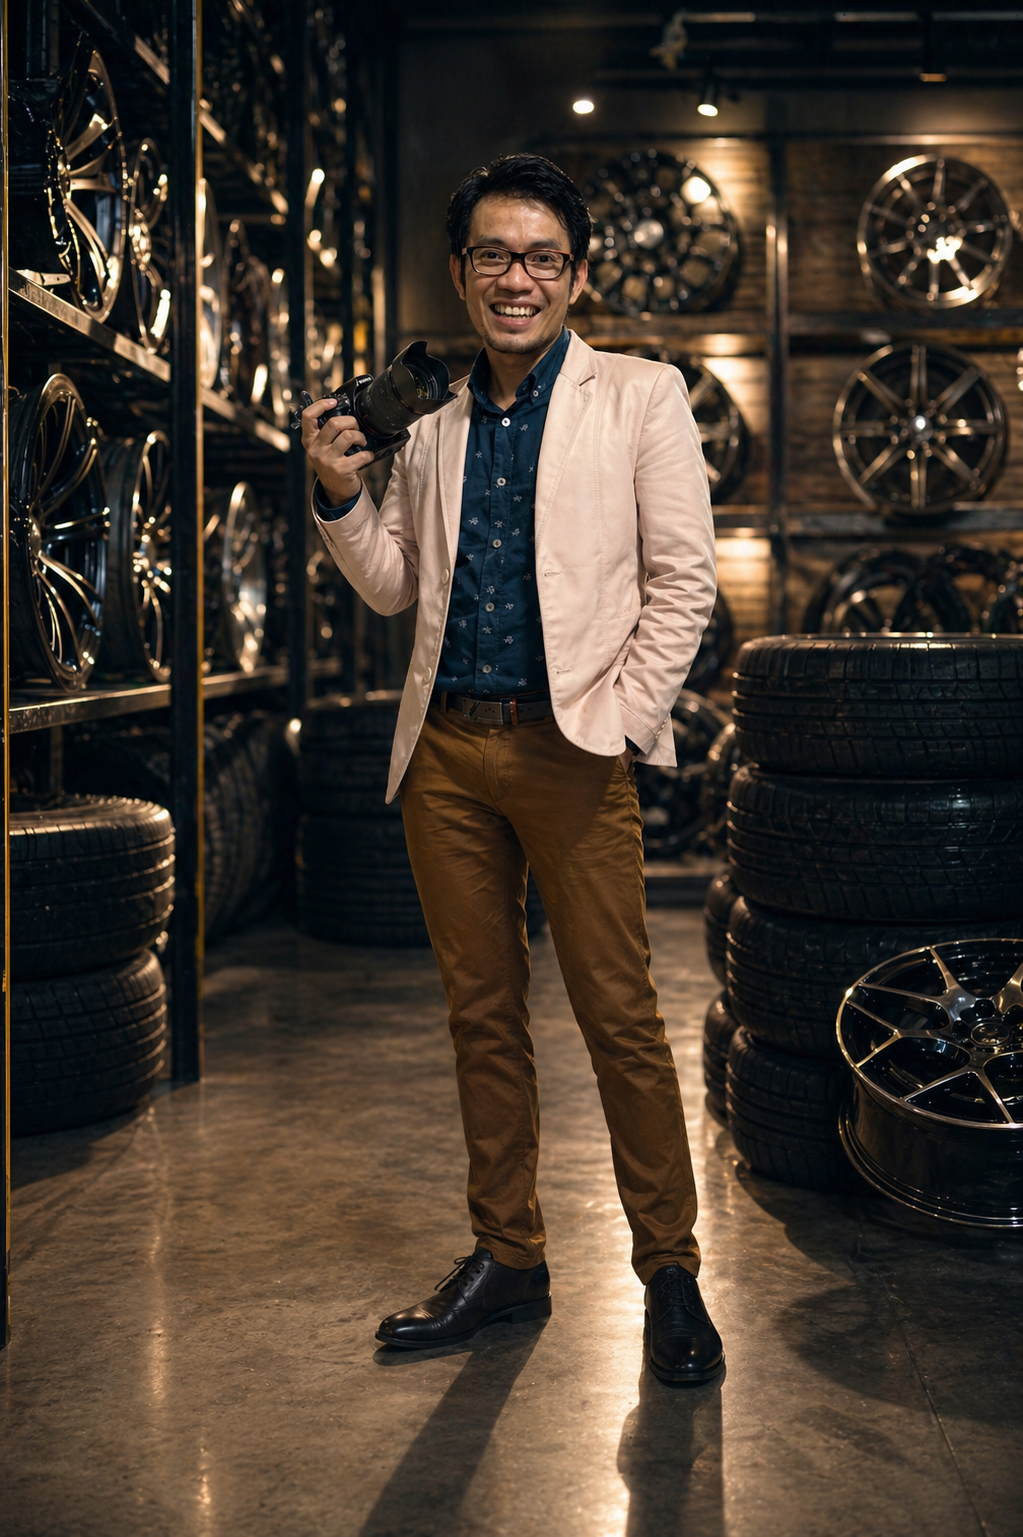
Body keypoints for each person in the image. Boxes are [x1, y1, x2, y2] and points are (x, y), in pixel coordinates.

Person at [301, 154, 722, 1386]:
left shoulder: (639, 395)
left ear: (576, 275)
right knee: (481, 1015)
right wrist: (339, 496)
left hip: (572, 748)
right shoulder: (428, 427)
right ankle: (509, 1255)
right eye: (493, 255)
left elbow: (683, 582)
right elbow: (397, 587)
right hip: (447, 752)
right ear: (461, 273)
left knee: (619, 1016)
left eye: (541, 257)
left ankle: (671, 1270)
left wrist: (617, 722)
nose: (516, 278)